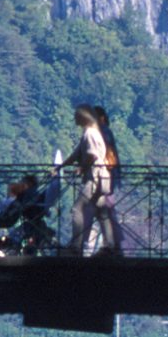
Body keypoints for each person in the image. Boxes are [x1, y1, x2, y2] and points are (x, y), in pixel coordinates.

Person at [65, 104, 111, 257]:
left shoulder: (90, 133)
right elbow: (76, 154)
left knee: (77, 210)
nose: (74, 119)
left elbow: (91, 156)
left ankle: (75, 246)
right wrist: (60, 167)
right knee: (102, 212)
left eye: (77, 116)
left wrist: (82, 169)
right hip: (101, 179)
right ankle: (110, 246)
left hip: (94, 178)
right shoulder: (91, 132)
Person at [92, 105, 124, 256]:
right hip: (109, 176)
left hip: (105, 176)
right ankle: (113, 244)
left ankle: (112, 245)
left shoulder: (102, 132)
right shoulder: (105, 131)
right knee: (106, 211)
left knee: (105, 211)